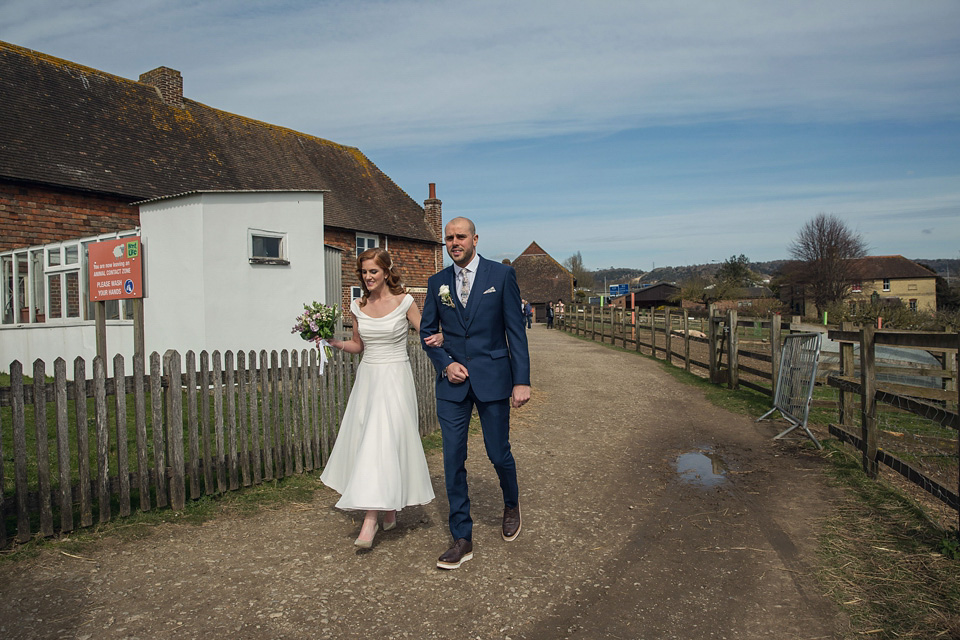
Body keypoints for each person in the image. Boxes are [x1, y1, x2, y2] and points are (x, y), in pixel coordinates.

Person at [420, 216, 531, 570]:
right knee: (453, 460)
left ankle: (511, 503)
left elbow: (516, 331)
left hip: (494, 379)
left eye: (460, 237)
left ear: (475, 239)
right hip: (452, 386)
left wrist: (521, 380)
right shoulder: (437, 282)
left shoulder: (501, 276)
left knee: (498, 454)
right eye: (449, 238)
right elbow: (426, 333)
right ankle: (462, 537)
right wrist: (444, 361)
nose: (454, 242)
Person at [321, 248, 442, 549]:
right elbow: (358, 345)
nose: (368, 277)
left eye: (373, 271)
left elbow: (427, 333)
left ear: (386, 272)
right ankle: (388, 507)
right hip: (368, 379)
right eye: (364, 272)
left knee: (384, 441)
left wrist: (444, 339)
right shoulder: (358, 306)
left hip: (395, 378)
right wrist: (335, 342)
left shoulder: (405, 302)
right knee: (371, 441)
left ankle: (370, 519)